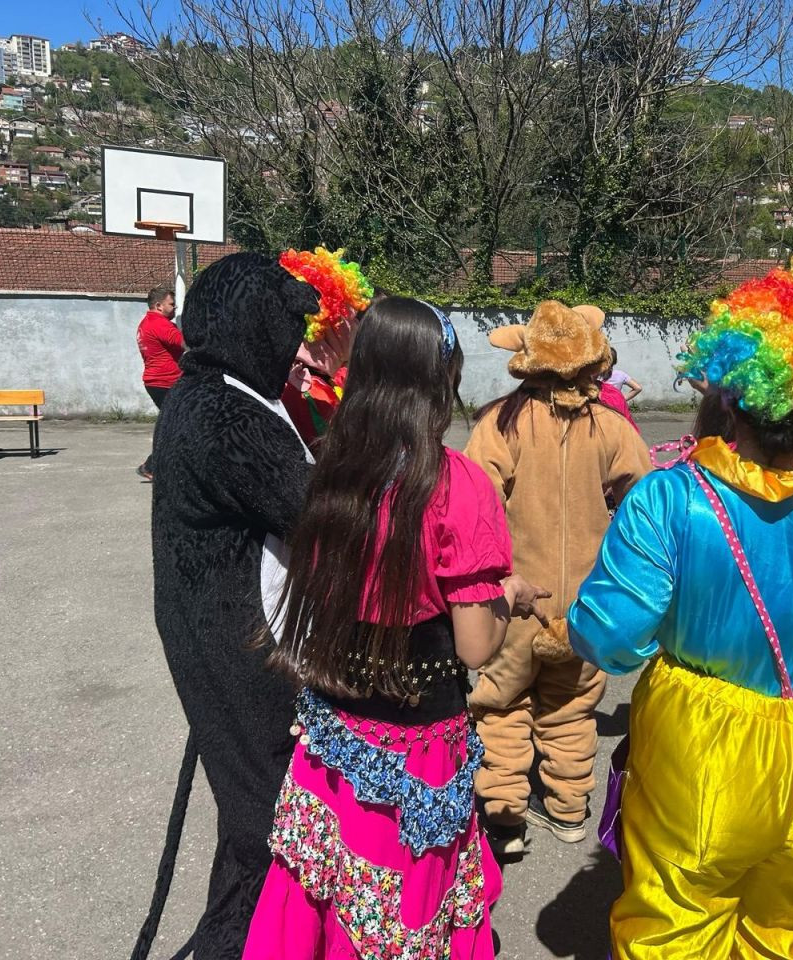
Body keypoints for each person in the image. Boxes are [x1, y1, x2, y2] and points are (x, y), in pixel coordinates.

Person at [568, 263, 793, 958]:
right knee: (785, 923)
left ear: (732, 400)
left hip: (706, 747)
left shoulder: (672, 499)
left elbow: (608, 636)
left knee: (671, 926)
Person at [242, 296, 549, 959]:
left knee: (326, 884)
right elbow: (474, 645)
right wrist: (506, 594)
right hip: (417, 748)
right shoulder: (457, 486)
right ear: (442, 379)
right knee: (397, 905)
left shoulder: (331, 467)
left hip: (331, 733)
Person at [150, 253, 325, 958]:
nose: (297, 344)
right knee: (267, 821)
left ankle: (238, 935)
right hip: (237, 645)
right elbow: (318, 512)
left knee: (255, 814)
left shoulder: (227, 391)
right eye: (288, 327)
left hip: (226, 632)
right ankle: (235, 944)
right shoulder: (224, 411)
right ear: (253, 323)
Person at [464, 300, 651, 858]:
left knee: (502, 704)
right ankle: (569, 810)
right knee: (571, 708)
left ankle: (504, 818)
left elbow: (474, 501)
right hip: (588, 606)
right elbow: (645, 502)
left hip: (516, 599)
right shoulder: (613, 426)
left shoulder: (501, 422)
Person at [277, 247, 372, 447]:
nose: (358, 327)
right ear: (333, 329)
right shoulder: (313, 394)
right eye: (353, 319)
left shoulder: (295, 378)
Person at [136, 284, 183, 481]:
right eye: (171, 304)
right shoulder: (159, 324)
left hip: (159, 382)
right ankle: (151, 465)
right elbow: (184, 342)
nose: (175, 308)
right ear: (158, 305)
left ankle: (158, 465)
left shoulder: (146, 323)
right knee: (175, 426)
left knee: (174, 425)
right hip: (165, 383)